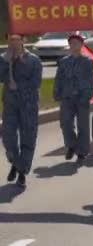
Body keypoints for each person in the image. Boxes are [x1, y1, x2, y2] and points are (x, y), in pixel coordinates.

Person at [1, 33, 42, 188]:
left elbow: (36, 83)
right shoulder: (5, 58)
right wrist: (5, 61)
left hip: (28, 105)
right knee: (8, 136)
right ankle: (16, 163)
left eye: (17, 39)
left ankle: (22, 172)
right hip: (10, 104)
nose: (13, 43)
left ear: (24, 40)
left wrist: (18, 86)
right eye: (11, 40)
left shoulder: (33, 60)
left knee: (28, 138)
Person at [53, 34, 93, 165]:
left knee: (83, 126)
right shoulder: (64, 61)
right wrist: (57, 93)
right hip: (67, 97)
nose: (74, 46)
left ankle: (82, 152)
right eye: (71, 43)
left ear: (81, 45)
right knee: (65, 124)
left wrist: (87, 95)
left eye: (76, 43)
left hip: (82, 98)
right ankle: (71, 145)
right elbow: (58, 78)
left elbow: (91, 81)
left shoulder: (87, 62)